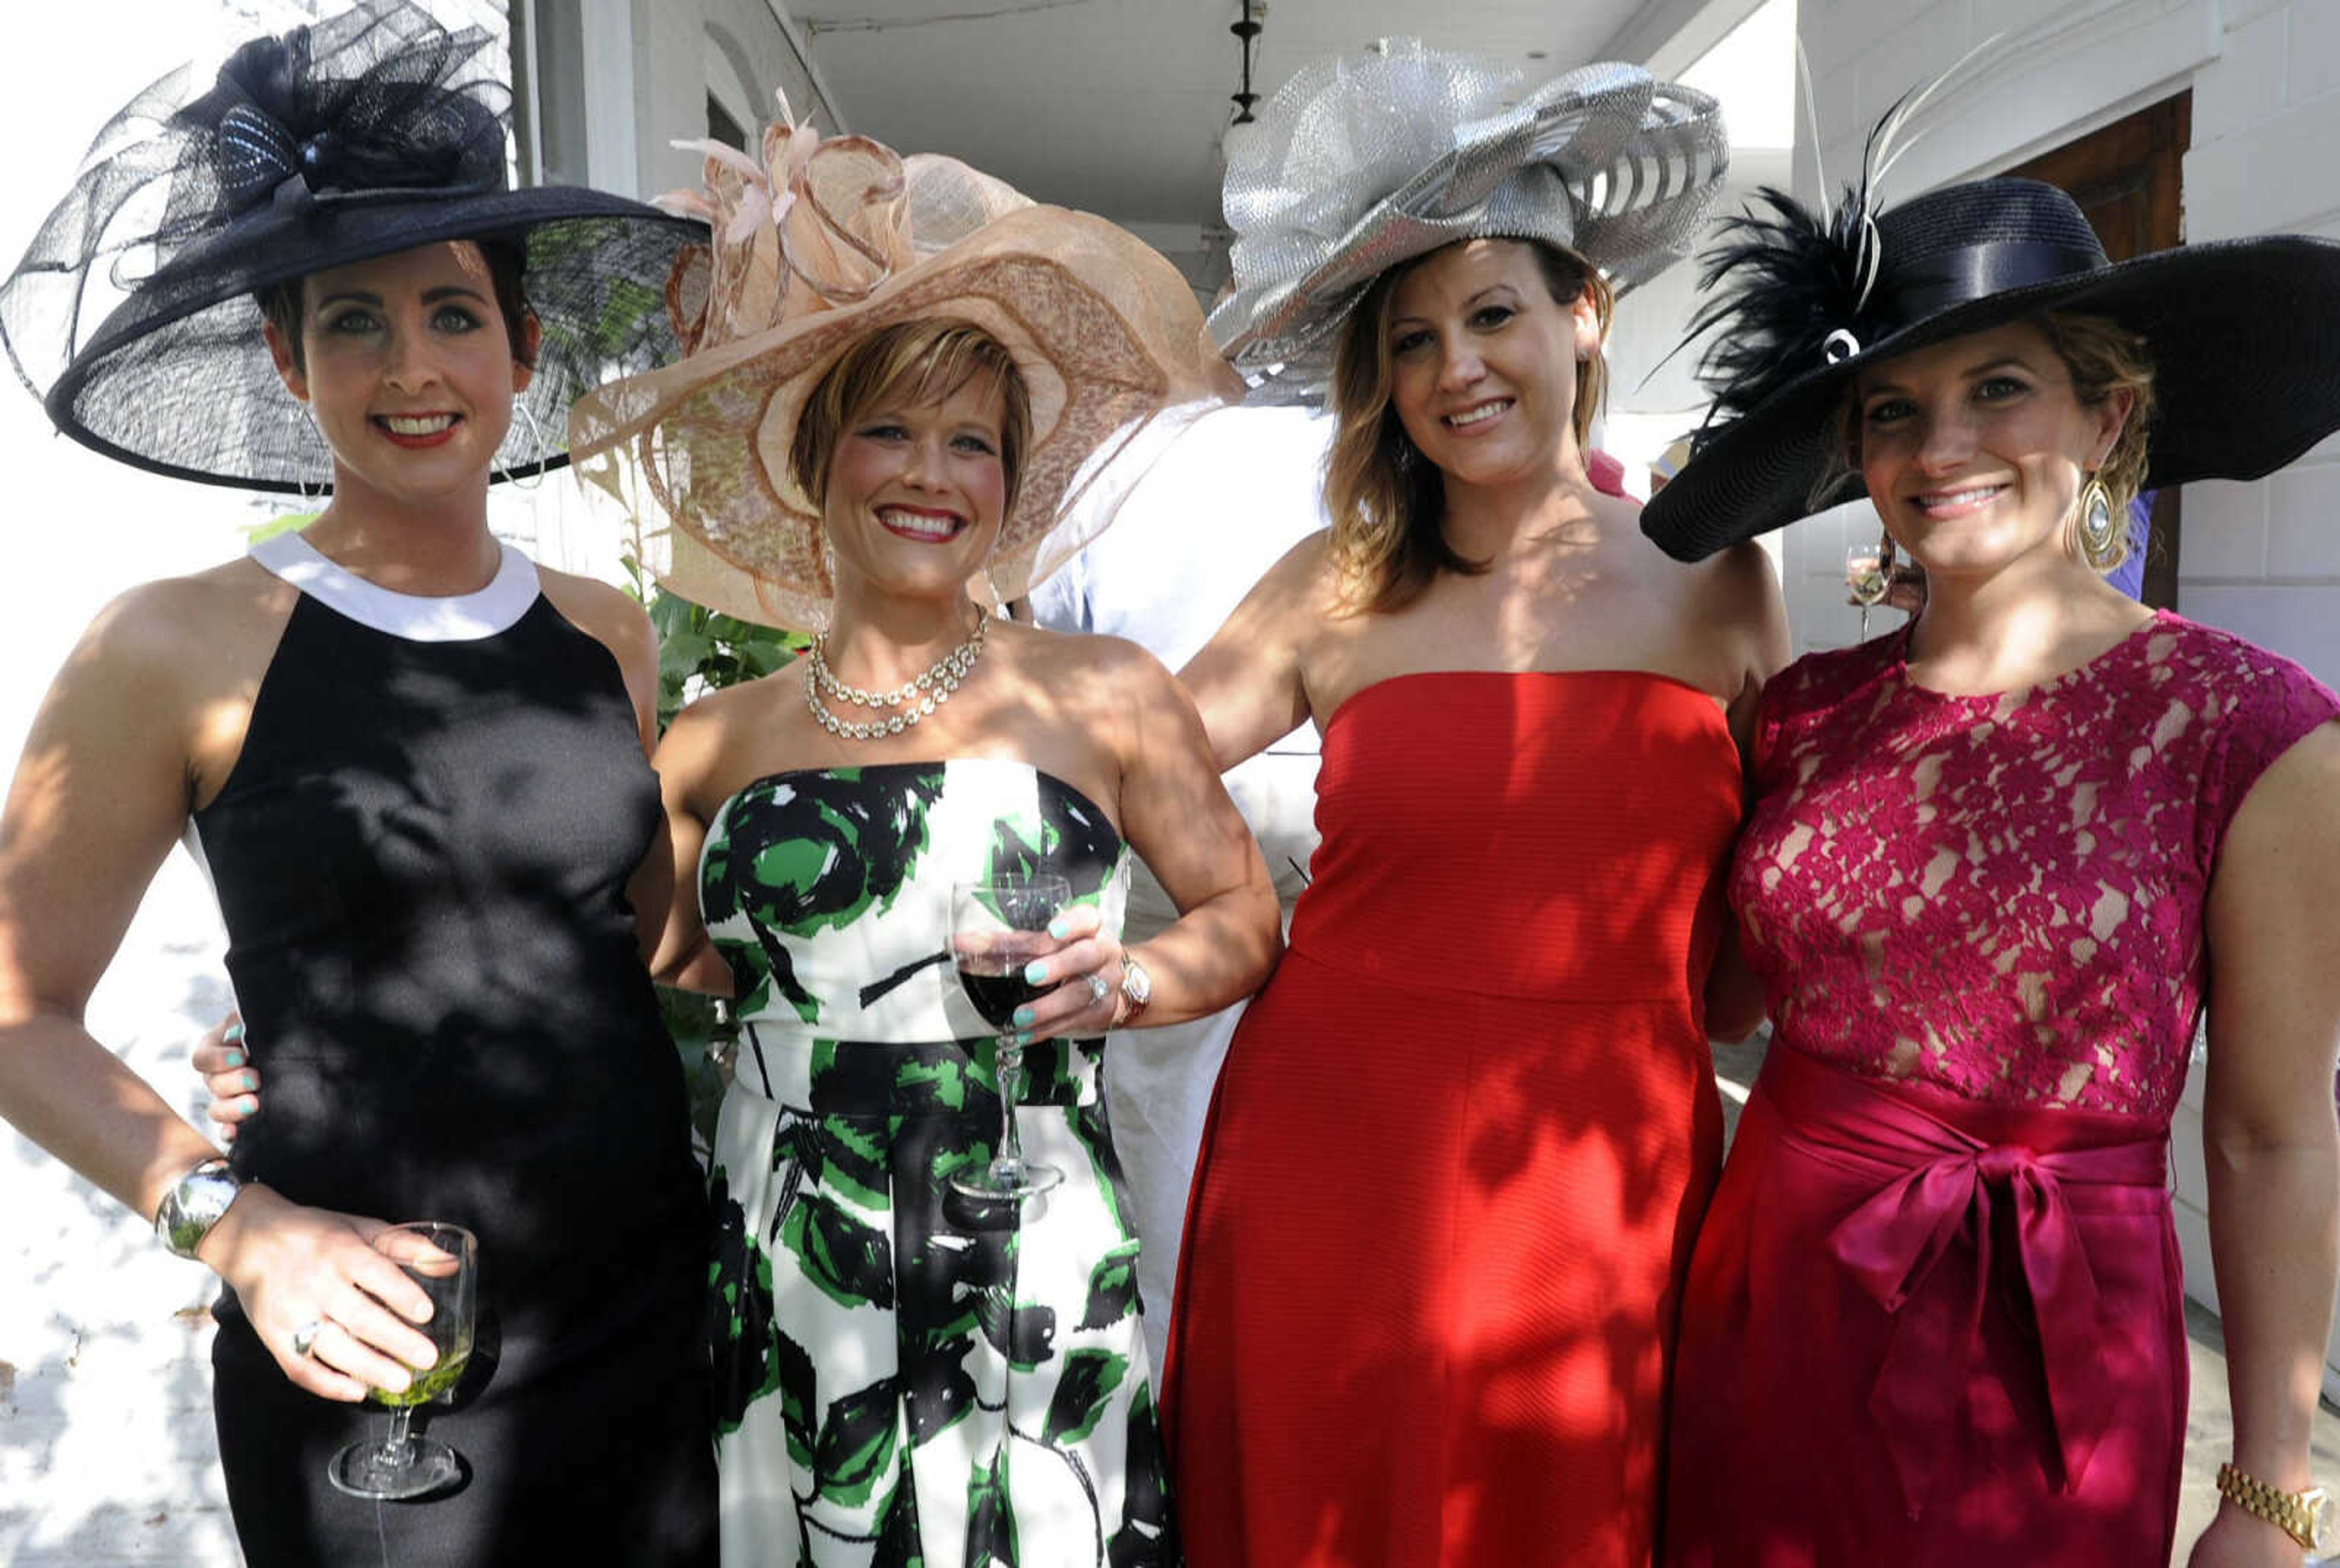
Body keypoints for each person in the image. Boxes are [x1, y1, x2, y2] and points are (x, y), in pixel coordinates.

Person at [0, 5, 718, 1561]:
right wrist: (234, 1227)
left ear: (524, 349)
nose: (413, 367)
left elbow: (640, 942)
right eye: (352, 322)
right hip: (372, 1350)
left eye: (455, 315)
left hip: (636, 1315)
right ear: (284, 355)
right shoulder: (173, 644)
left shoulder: (604, 632)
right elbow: (11, 1011)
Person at [561, 112, 1281, 1566]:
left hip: (1036, 1229)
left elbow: (1245, 917)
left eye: (974, 442)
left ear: (1012, 484)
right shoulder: (713, 742)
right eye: (891, 427)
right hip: (790, 1247)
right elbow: (643, 949)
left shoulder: (1110, 696)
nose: (932, 474)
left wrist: (1133, 984)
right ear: (819, 459)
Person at [1640, 169, 2340, 1567]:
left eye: (2001, 389)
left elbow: (2271, 1135)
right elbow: (1709, 1005)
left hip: (2055, 1343)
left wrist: (2271, 1493)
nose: (1942, 445)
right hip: (1773, 1304)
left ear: (2108, 414)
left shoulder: (2252, 729)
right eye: (1895, 409)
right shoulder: (1795, 712)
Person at [1163, 44, 1787, 1567]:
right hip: (1333, 1156)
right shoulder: (1338, 583)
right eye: (1412, 339)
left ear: (1585, 313)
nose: (1457, 370)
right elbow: (1140, 756)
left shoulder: (1721, 578)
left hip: (1597, 1186)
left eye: (1493, 312)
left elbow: (1769, 909)